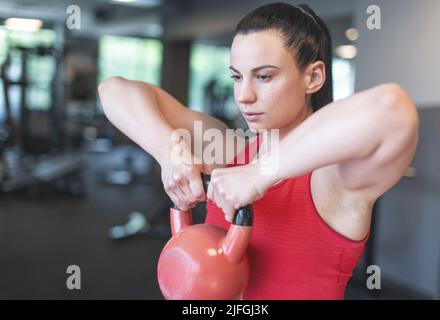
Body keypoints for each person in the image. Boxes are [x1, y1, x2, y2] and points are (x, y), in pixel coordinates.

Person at [98, 2, 419, 299]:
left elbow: (391, 108)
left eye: (264, 76)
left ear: (314, 77)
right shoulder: (230, 149)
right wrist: (169, 152)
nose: (244, 95)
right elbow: (114, 89)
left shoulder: (332, 178)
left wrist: (262, 172)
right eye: (237, 77)